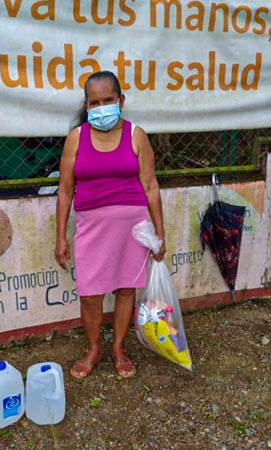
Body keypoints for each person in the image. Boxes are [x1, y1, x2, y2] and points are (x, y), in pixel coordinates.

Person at [55, 70, 167, 379]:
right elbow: (65, 191)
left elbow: (151, 187)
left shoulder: (136, 135)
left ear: (121, 100)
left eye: (108, 99)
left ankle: (118, 349)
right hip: (91, 229)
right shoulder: (76, 138)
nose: (102, 106)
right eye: (94, 102)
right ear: (87, 105)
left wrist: (159, 233)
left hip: (132, 228)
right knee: (90, 294)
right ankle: (93, 349)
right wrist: (60, 237)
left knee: (125, 289)